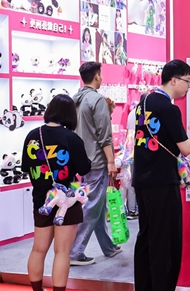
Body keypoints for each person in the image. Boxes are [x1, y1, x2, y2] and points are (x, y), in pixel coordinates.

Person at [133, 59, 190, 291]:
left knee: (146, 237)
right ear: (174, 80)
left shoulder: (144, 102)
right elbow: (186, 148)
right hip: (162, 181)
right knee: (165, 241)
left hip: (142, 179)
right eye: (187, 81)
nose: (188, 86)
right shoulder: (169, 109)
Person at [22, 95, 92, 291]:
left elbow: (27, 168)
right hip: (67, 200)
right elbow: (84, 168)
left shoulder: (32, 135)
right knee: (62, 251)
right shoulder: (72, 138)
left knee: (38, 249)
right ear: (70, 114)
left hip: (41, 199)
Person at [69, 62, 120, 265]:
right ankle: (74, 252)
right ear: (97, 76)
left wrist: (108, 111)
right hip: (97, 160)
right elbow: (104, 135)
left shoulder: (77, 99)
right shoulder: (97, 99)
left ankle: (108, 247)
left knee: (98, 204)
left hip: (82, 160)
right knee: (92, 206)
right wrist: (111, 161)